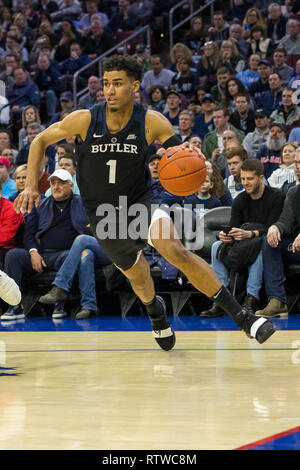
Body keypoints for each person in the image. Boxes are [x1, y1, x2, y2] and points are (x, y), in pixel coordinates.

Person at [14, 54, 276, 346]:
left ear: (135, 86)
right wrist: (32, 187)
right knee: (138, 277)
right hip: (102, 214)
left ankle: (242, 318)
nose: (109, 90)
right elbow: (39, 140)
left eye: (117, 83)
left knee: (175, 250)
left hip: (140, 203)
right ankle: (156, 313)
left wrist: (193, 157)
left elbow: (181, 153)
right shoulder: (85, 119)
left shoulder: (150, 121)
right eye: (106, 83)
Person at [1, 169, 89, 321]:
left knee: (69, 256)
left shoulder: (81, 203)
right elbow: (29, 235)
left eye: (61, 183)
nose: (56, 187)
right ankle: (15, 306)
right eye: (53, 183)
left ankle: (59, 303)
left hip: (66, 253)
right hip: (42, 254)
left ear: (71, 185)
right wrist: (33, 252)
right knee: (13, 255)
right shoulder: (40, 205)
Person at [201, 159, 285, 317]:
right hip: (242, 242)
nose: (246, 183)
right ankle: (221, 299)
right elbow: (234, 226)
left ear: (261, 178)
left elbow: (274, 226)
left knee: (260, 247)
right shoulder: (240, 199)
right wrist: (226, 235)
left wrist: (251, 233)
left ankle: (250, 299)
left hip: (264, 242)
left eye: (250, 179)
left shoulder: (276, 197)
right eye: (243, 179)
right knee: (215, 246)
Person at [38, 234, 112, 319]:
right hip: (97, 247)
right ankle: (89, 306)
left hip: (118, 249)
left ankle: (61, 287)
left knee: (81, 239)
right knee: (86, 256)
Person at [255, 182, 300, 318]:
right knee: (270, 242)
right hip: (297, 246)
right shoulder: (294, 192)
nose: (298, 167)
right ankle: (277, 301)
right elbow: (286, 220)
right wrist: (275, 227)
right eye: (297, 163)